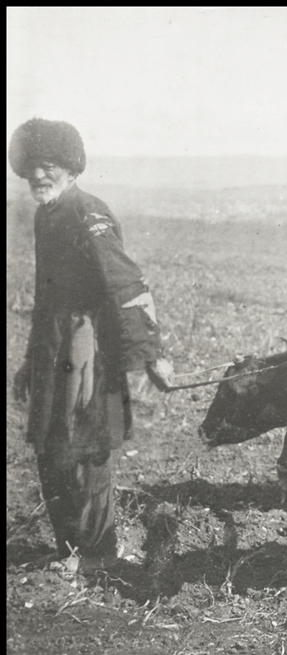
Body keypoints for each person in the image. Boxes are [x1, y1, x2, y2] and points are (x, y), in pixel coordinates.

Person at [9, 118, 174, 574]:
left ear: (69, 167)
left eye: (47, 166)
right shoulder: (47, 215)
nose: (38, 176)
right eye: (31, 169)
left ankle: (99, 555)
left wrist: (151, 353)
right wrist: (29, 362)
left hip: (90, 350)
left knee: (89, 448)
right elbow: (45, 297)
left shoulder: (88, 212)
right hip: (53, 348)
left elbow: (125, 283)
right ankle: (70, 551)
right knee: (51, 448)